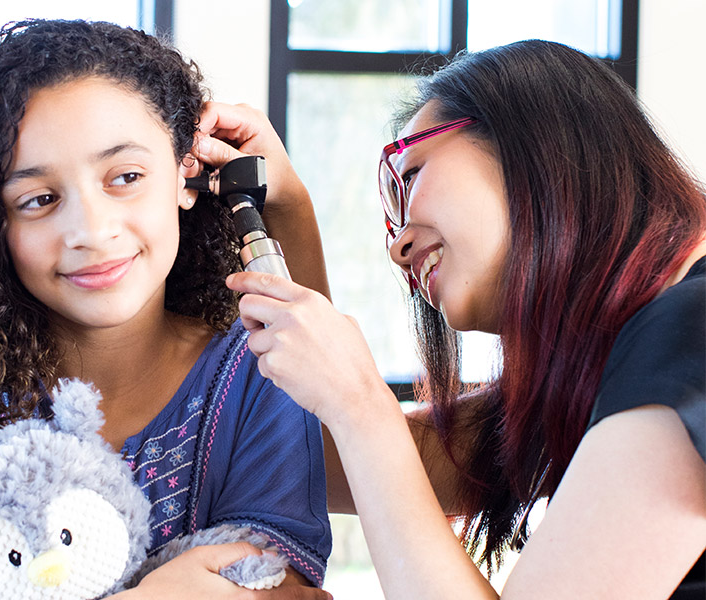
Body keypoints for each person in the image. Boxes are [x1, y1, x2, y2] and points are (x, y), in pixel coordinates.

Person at [0, 19, 332, 599]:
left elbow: (283, 590)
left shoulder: (261, 373)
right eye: (40, 200)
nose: (91, 231)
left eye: (125, 177)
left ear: (185, 175)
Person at [194, 40, 706, 598]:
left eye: (410, 176)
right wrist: (287, 207)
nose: (399, 247)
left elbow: (363, 434)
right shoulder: (603, 367)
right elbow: (322, 455)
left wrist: (361, 401)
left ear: (532, 141)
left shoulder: (691, 332)